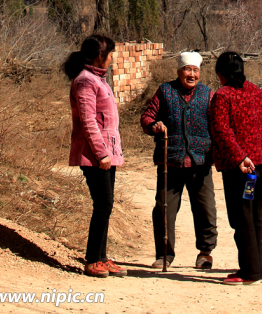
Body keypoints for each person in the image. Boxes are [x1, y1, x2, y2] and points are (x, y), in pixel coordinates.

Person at [141, 50, 217, 271]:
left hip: (200, 161)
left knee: (205, 209)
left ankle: (205, 253)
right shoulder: (165, 91)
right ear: (179, 71)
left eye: (195, 70)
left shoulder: (207, 94)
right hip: (170, 160)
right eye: (187, 70)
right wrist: (153, 126)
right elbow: (147, 116)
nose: (191, 74)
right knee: (164, 208)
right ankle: (164, 254)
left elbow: (217, 123)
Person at [209, 51, 262, 286]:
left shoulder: (223, 96)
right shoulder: (259, 93)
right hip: (260, 167)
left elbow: (221, 130)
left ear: (221, 74)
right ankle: (256, 267)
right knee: (254, 216)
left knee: (242, 218)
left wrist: (240, 158)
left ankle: (249, 271)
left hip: (241, 170)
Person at [65, 34, 126, 279]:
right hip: (94, 155)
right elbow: (89, 121)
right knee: (103, 204)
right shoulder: (85, 82)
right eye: (110, 54)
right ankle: (92, 261)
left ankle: (101, 257)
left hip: (106, 155)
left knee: (106, 204)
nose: (112, 59)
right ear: (100, 55)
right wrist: (101, 153)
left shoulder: (99, 79)